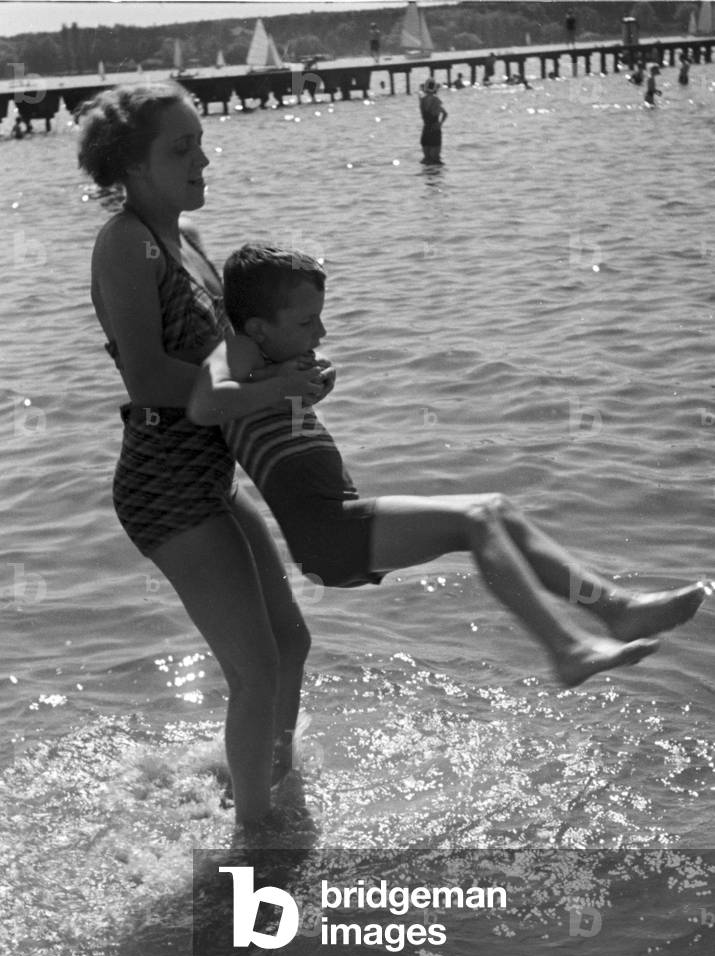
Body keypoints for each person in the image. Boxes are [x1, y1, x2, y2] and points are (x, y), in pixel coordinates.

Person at [188, 243, 707, 691]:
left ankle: (615, 609)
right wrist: (284, 386)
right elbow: (203, 405)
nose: (320, 332)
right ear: (258, 328)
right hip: (328, 534)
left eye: (321, 318)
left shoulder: (267, 363)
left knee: (495, 509)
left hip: (341, 522)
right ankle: (570, 648)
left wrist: (307, 384)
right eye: (306, 322)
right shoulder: (237, 349)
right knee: (475, 519)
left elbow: (265, 413)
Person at [78, 83, 329, 836]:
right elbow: (150, 377)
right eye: (180, 149)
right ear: (132, 165)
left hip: (209, 474)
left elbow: (227, 365)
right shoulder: (126, 243)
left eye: (200, 142)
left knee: (291, 639)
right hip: (163, 484)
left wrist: (294, 372)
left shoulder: (185, 240)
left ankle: (269, 782)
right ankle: (257, 836)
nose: (202, 157)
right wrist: (267, 387)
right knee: (253, 668)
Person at [419, 78, 447, 165]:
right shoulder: (436, 100)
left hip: (426, 129)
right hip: (435, 129)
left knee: (426, 160)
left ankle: (426, 177)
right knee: (436, 160)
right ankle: (437, 178)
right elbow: (445, 113)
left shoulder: (422, 100)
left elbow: (420, 92)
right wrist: (441, 123)